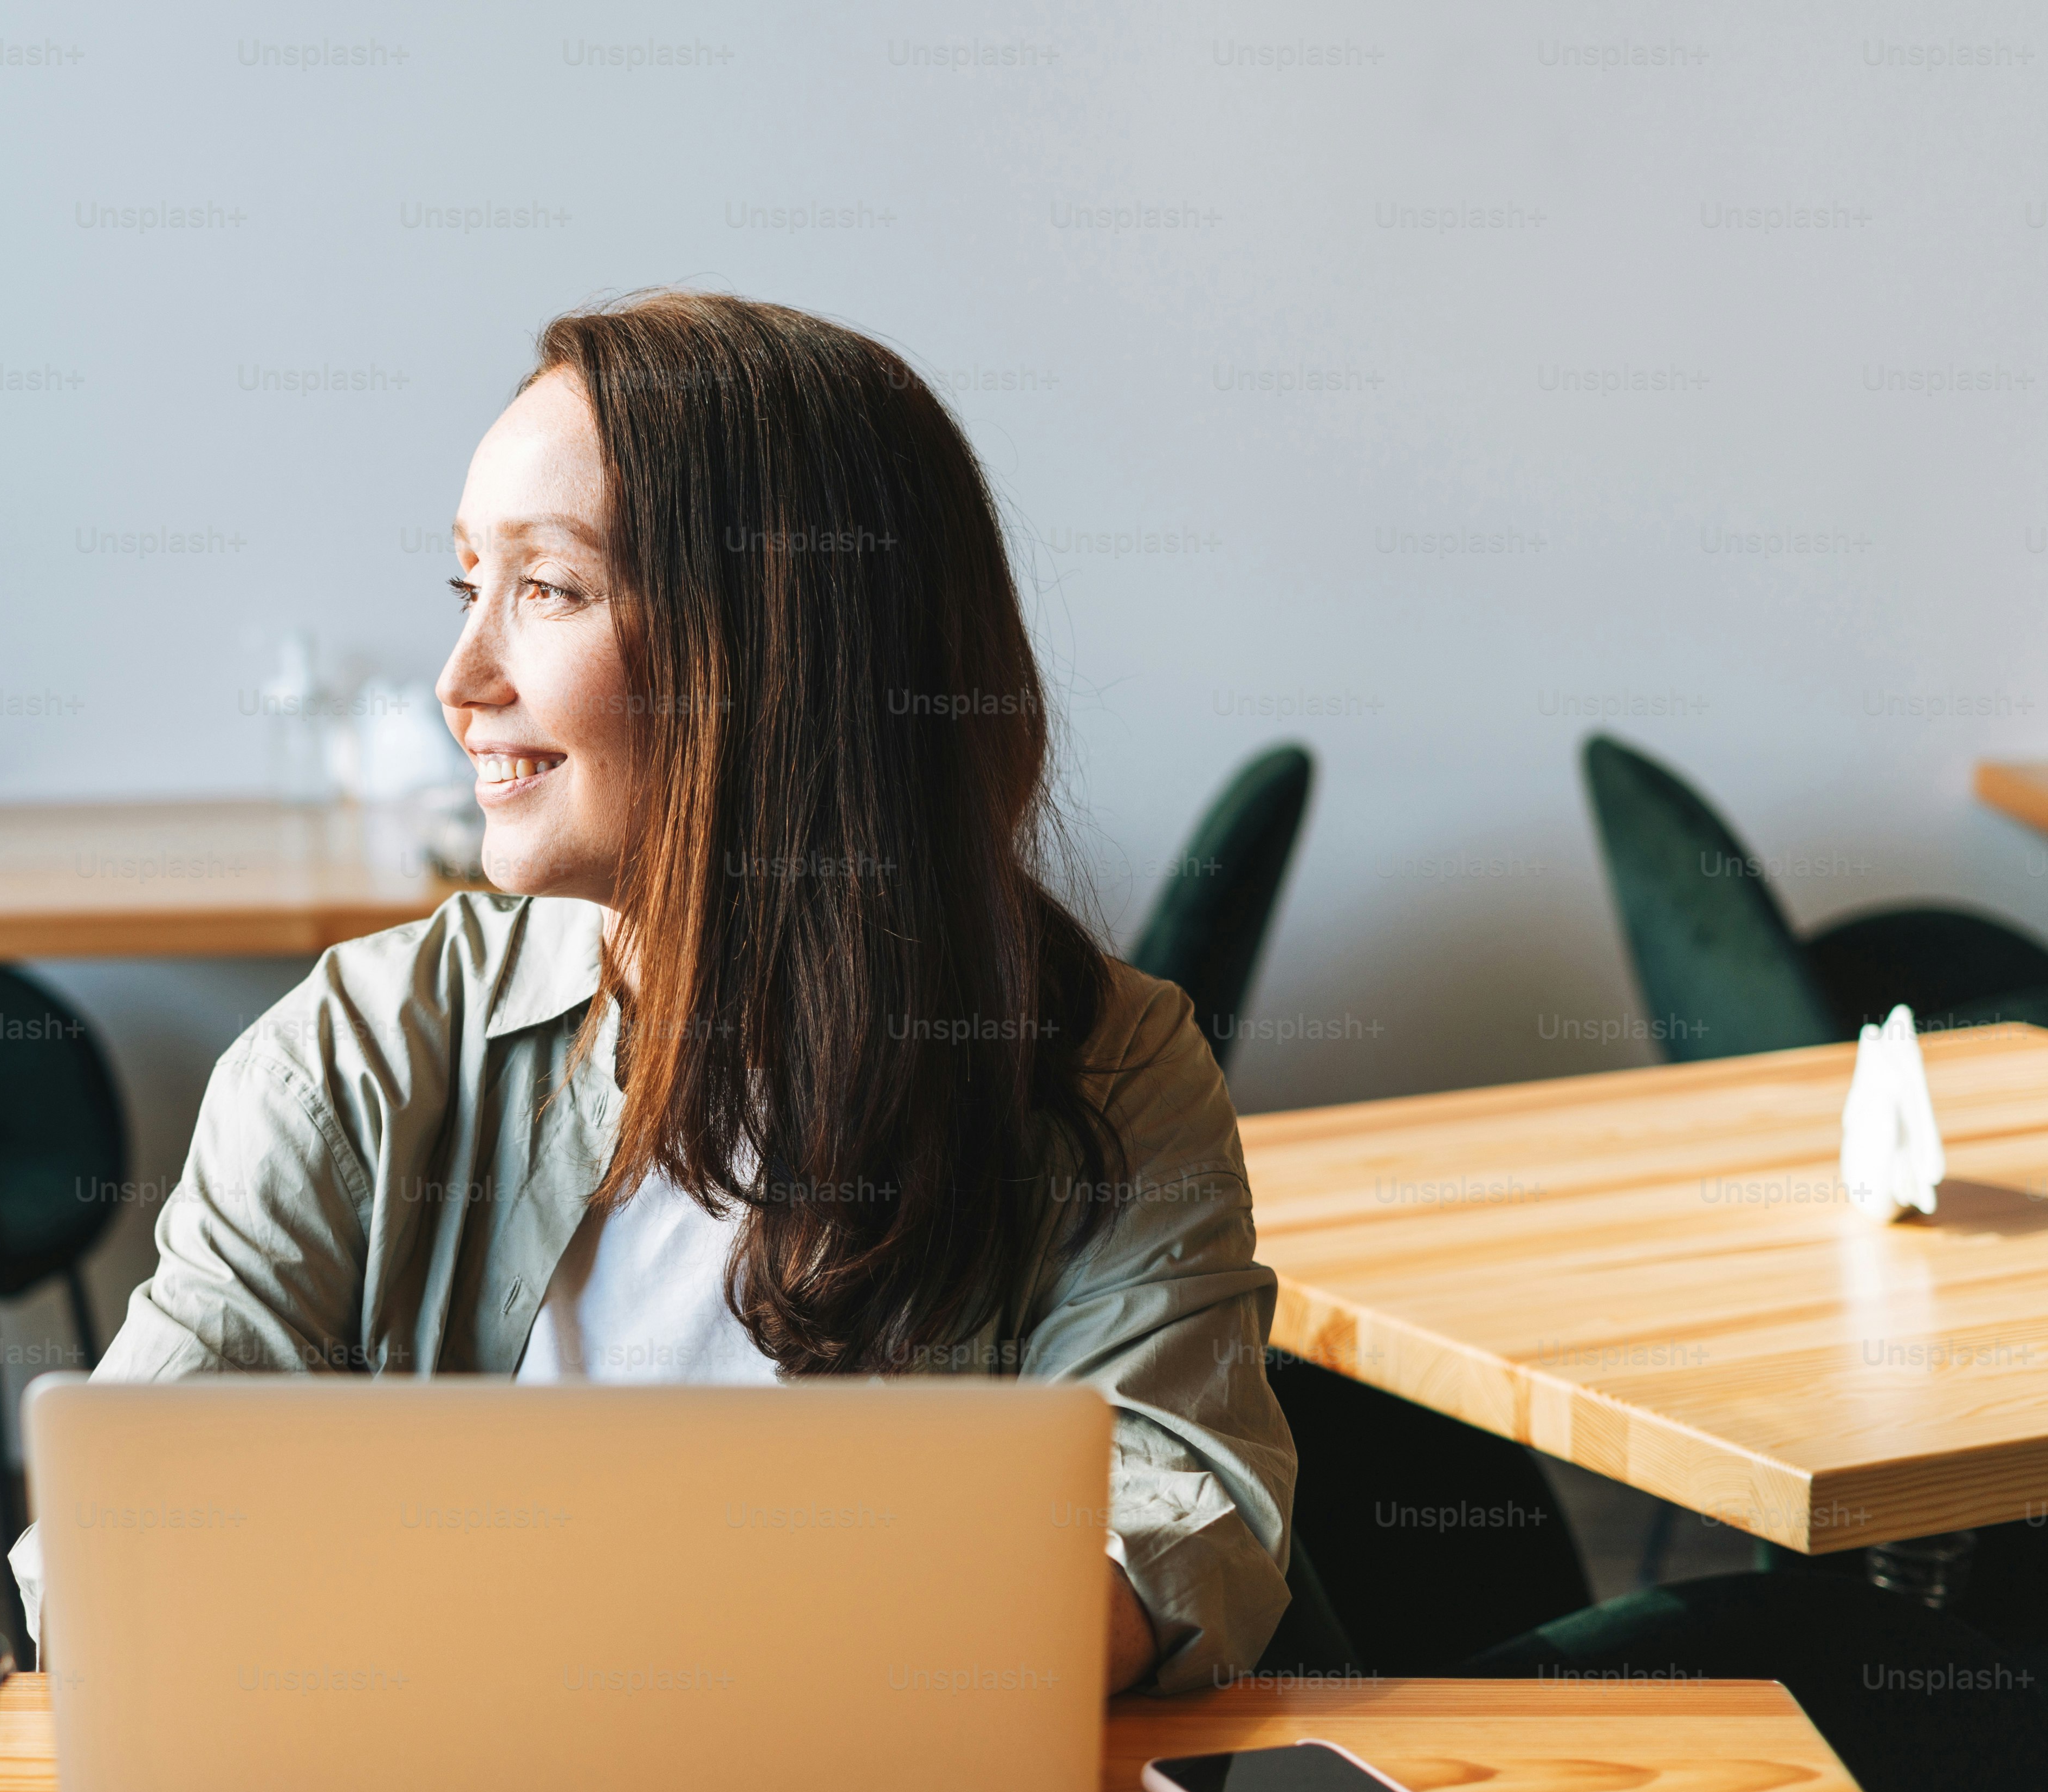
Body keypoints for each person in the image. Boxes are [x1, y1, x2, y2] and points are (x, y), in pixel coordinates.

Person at [87, 290, 1293, 1696]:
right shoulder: (356, 1050)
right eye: (464, 584)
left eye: (545, 589)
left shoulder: (1103, 1065)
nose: (457, 677)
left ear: (782, 649)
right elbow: (122, 1539)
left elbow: (1175, 1514)